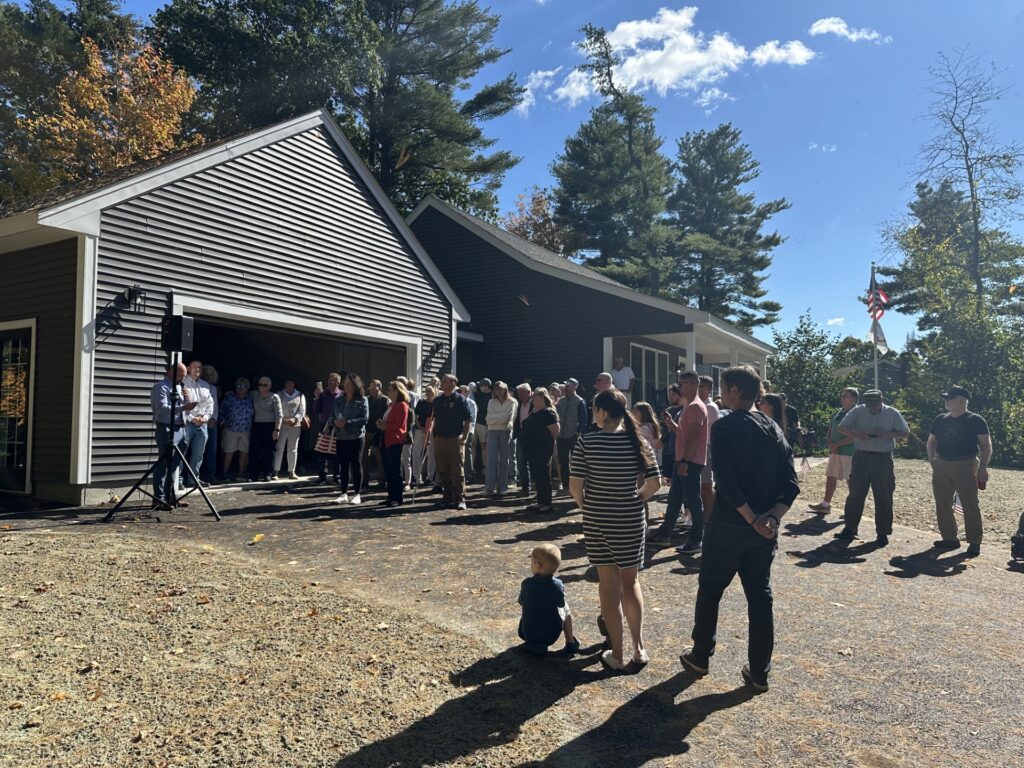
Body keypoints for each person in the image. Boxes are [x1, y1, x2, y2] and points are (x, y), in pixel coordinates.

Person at [680, 365, 800, 693]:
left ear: (734, 390)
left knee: (711, 589)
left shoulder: (726, 426)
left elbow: (728, 484)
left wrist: (752, 519)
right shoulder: (774, 428)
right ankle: (759, 671)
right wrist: (771, 519)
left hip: (730, 526)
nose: (721, 393)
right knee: (760, 597)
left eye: (723, 388)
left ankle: (701, 655)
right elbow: (791, 485)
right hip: (763, 530)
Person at [570, 389, 661, 670]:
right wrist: (636, 498)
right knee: (631, 583)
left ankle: (617, 655)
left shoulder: (587, 441)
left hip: (598, 519)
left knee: (608, 586)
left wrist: (588, 507)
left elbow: (575, 486)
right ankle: (638, 649)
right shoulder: (638, 442)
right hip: (631, 520)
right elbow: (655, 483)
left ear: (601, 412)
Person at [835, 390, 910, 546]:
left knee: (883, 495)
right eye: (870, 405)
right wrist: (857, 434)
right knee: (855, 494)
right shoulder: (858, 410)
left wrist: (887, 434)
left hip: (882, 458)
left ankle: (882, 533)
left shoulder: (892, 413)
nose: (872, 408)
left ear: (881, 399)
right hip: (861, 456)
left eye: (875, 404)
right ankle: (850, 529)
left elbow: (905, 433)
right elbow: (842, 427)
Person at [927, 385, 992, 557]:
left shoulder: (975, 419)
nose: (946, 401)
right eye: (946, 398)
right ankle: (949, 539)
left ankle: (974, 541)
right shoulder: (940, 419)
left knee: (970, 504)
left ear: (961, 401)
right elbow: (931, 441)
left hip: (966, 464)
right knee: (942, 504)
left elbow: (986, 445)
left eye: (950, 398)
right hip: (942, 464)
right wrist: (932, 460)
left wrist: (983, 467)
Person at [649, 371, 708, 554]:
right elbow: (684, 433)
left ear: (691, 384)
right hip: (683, 460)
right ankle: (665, 534)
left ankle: (697, 540)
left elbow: (694, 437)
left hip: (688, 461)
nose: (678, 388)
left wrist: (684, 461)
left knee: (693, 501)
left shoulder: (695, 407)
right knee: (674, 500)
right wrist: (670, 424)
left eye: (681, 384)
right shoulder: (689, 406)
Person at [150, 362, 199, 510]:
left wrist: (188, 401)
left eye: (184, 376)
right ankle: (158, 499)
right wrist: (183, 407)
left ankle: (171, 497)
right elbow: (162, 409)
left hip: (181, 428)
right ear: (171, 371)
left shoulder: (179, 387)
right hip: (166, 428)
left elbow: (185, 411)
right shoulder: (161, 387)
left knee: (175, 465)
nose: (182, 379)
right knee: (164, 464)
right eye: (181, 375)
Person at [517, 543, 580, 657]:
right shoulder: (557, 585)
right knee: (565, 608)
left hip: (525, 633)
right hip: (549, 635)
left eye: (531, 562)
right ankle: (571, 642)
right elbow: (560, 603)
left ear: (538, 566)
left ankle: (532, 644)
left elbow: (521, 602)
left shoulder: (526, 583)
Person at [808, 388, 859, 513]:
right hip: (835, 451)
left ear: (854, 399)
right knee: (830, 476)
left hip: (849, 452)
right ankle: (825, 505)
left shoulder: (857, 413)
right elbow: (830, 429)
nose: (842, 398)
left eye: (845, 396)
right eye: (842, 396)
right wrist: (831, 444)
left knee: (851, 480)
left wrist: (838, 444)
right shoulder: (837, 412)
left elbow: (855, 435)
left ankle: (854, 509)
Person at [432, 374, 473, 511]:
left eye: (445, 381)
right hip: (439, 439)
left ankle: (460, 499)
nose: (442, 384)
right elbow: (433, 419)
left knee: (457, 470)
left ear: (453, 383)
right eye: (442, 381)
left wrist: (465, 437)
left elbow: (468, 420)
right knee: (443, 470)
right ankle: (447, 497)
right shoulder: (437, 400)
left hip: (455, 438)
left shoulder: (461, 400)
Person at [522, 388, 560, 513]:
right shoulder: (534, 412)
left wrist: (548, 445)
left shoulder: (549, 412)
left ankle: (547, 503)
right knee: (537, 475)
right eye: (533, 398)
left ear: (543, 398)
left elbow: (555, 431)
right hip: (532, 449)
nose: (533, 400)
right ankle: (540, 501)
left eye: (536, 398)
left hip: (543, 449)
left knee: (544, 475)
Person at [333, 373, 368, 506]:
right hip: (341, 437)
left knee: (355, 464)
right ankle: (343, 493)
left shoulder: (362, 400)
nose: (345, 387)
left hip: (356, 437)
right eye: (345, 385)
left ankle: (357, 494)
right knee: (343, 465)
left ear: (355, 386)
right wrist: (335, 422)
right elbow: (332, 415)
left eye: (349, 385)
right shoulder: (339, 399)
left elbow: (364, 419)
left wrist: (347, 423)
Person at [181, 359, 215, 489]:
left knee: (198, 454)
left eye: (200, 368)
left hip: (202, 424)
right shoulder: (182, 383)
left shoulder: (205, 385)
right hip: (187, 422)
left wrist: (205, 418)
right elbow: (181, 405)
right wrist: (192, 418)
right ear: (188, 368)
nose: (197, 370)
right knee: (182, 452)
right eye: (195, 367)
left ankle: (193, 479)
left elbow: (210, 404)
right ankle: (178, 480)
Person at [378, 380, 411, 507]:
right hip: (385, 440)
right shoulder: (391, 405)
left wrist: (385, 427)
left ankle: (397, 498)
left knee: (395, 470)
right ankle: (391, 496)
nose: (388, 392)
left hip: (394, 441)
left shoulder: (402, 405)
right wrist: (381, 424)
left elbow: (399, 425)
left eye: (390, 390)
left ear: (398, 391)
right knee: (388, 470)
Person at [555, 378, 588, 495]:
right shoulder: (561, 401)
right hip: (561, 436)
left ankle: (578, 487)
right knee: (563, 462)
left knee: (576, 463)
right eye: (566, 385)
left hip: (573, 436)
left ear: (575, 387)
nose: (566, 387)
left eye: (569, 386)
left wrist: (578, 432)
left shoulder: (580, 401)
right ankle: (565, 486)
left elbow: (583, 419)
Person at [485, 381, 517, 496]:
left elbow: (510, 417)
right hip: (492, 431)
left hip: (506, 432)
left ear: (505, 389)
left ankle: (502, 486)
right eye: (496, 389)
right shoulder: (491, 401)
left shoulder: (512, 401)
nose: (499, 391)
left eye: (501, 389)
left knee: (504, 460)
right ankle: (489, 487)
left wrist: (496, 417)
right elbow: (488, 419)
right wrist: (502, 417)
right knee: (491, 459)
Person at [220, 378, 254, 481]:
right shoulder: (229, 397)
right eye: (238, 386)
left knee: (244, 452)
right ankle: (224, 474)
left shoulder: (250, 398)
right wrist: (222, 422)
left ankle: (241, 473)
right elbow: (221, 410)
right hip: (231, 429)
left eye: (243, 387)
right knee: (228, 451)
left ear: (247, 388)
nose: (240, 388)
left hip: (246, 429)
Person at [250, 377, 283, 482]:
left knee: (269, 451)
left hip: (270, 426)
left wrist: (277, 429)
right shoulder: (254, 394)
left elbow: (279, 414)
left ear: (269, 386)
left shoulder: (274, 397)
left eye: (265, 385)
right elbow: (242, 392)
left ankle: (268, 473)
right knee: (255, 450)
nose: (262, 387)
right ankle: (254, 474)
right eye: (260, 384)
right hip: (257, 425)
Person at [273, 376, 306, 480]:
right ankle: (275, 472)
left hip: (295, 425)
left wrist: (294, 419)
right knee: (279, 447)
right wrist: (283, 419)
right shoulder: (279, 394)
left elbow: (302, 410)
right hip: (281, 424)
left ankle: (292, 471)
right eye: (287, 383)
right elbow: (276, 409)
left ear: (294, 384)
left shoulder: (300, 395)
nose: (289, 385)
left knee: (293, 449)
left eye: (291, 383)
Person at [698, 375, 721, 522]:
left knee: (706, 485)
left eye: (700, 387)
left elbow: (701, 432)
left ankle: (709, 516)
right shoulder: (700, 405)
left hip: (706, 448)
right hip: (700, 449)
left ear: (708, 389)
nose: (697, 390)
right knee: (702, 486)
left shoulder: (710, 407)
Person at [313, 373, 342, 484]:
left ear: (338, 382)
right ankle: (322, 477)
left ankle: (337, 476)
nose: (331, 382)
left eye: (334, 381)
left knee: (337, 451)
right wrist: (316, 398)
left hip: (337, 425)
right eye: (330, 380)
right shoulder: (323, 394)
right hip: (324, 424)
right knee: (322, 451)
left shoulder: (342, 395)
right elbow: (315, 410)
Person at [363, 379, 389, 490]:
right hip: (366, 431)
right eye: (371, 389)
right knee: (363, 457)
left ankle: (382, 481)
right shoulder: (367, 399)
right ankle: (364, 480)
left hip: (379, 432)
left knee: (380, 457)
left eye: (374, 388)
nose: (372, 391)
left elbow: (388, 416)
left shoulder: (385, 400)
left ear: (379, 388)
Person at [199, 365, 221, 484]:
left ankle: (210, 474)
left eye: (211, 375)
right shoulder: (199, 386)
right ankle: (196, 474)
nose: (209, 377)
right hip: (200, 421)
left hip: (212, 423)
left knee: (212, 450)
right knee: (198, 450)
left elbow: (215, 405)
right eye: (206, 374)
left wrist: (214, 418)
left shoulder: (213, 388)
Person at [413, 386, 436, 487]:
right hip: (420, 430)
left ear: (434, 392)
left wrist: (430, 429)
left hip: (431, 431)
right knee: (416, 453)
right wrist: (420, 427)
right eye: (426, 391)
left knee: (431, 454)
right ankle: (417, 477)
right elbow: (415, 416)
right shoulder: (421, 402)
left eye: (430, 391)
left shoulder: (436, 403)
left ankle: (430, 477)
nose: (428, 393)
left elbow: (436, 418)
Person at [513, 383, 533, 497]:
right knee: (521, 463)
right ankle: (526, 488)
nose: (519, 395)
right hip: (521, 436)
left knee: (533, 463)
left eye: (522, 393)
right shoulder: (520, 404)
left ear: (528, 392)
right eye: (519, 393)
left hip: (532, 437)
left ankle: (536, 489)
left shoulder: (534, 403)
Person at [660, 384, 683, 480]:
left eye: (673, 394)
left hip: (676, 448)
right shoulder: (668, 410)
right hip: (667, 449)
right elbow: (663, 428)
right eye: (670, 394)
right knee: (668, 477)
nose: (671, 397)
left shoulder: (683, 410)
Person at [472, 378, 492, 480]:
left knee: (483, 445)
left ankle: (485, 468)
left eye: (481, 386)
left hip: (483, 423)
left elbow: (483, 408)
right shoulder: (477, 394)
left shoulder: (491, 396)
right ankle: (472, 467)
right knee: (473, 444)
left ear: (486, 386)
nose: (480, 388)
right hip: (474, 422)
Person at [460, 384, 478, 484]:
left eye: (467, 391)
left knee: (467, 452)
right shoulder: (457, 402)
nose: (466, 393)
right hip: (457, 430)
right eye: (463, 391)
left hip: (468, 430)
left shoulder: (471, 403)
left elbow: (471, 419)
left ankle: (469, 475)